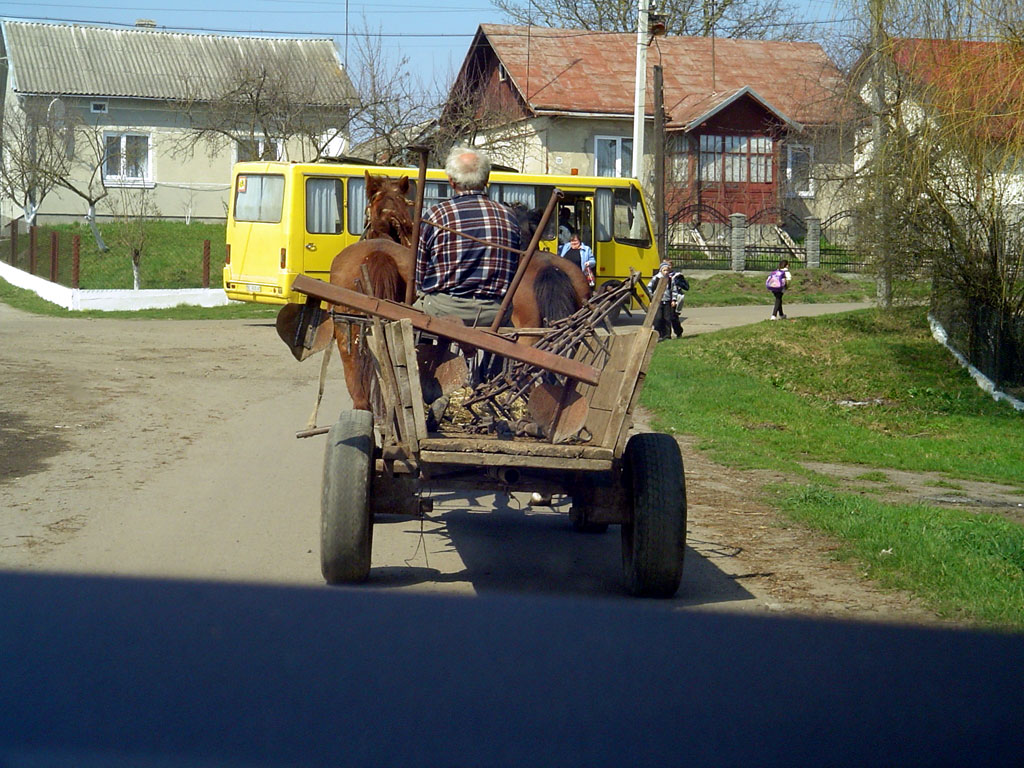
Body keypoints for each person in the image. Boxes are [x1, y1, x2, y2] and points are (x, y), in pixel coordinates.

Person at [415, 147, 522, 327]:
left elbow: (419, 277)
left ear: (451, 181)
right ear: (486, 179)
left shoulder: (436, 215)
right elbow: (514, 268)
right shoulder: (509, 216)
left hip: (443, 309)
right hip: (495, 313)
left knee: (406, 315)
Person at [647, 261, 686, 340]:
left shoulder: (670, 279)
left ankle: (667, 335)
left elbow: (674, 290)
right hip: (658, 301)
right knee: (658, 318)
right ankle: (658, 335)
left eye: (667, 270)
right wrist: (652, 299)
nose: (666, 272)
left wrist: (674, 300)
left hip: (667, 301)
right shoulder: (656, 278)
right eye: (664, 270)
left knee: (667, 319)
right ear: (661, 270)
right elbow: (649, 288)